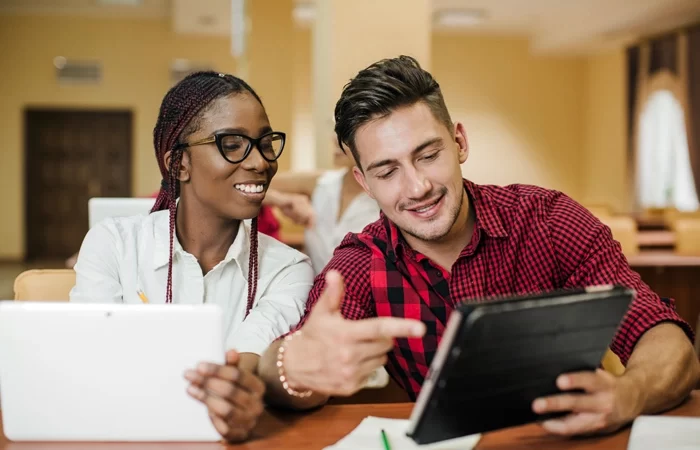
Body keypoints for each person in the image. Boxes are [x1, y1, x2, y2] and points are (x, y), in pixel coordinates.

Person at [257, 56, 700, 436]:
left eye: (428, 154)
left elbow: (663, 337)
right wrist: (292, 366)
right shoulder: (359, 265)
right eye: (387, 171)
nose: (418, 187)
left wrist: (628, 394)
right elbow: (292, 371)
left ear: (460, 142)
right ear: (364, 183)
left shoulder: (549, 221)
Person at [70, 71, 314, 442]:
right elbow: (94, 365)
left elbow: (250, 354)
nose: (261, 162)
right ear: (178, 164)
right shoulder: (113, 245)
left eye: (266, 143)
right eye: (232, 144)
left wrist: (235, 393)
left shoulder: (288, 268)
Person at [265, 141, 380, 274]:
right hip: (310, 291)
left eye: (347, 131)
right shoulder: (320, 182)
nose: (337, 139)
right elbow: (247, 186)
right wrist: (282, 200)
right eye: (336, 129)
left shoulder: (387, 198)